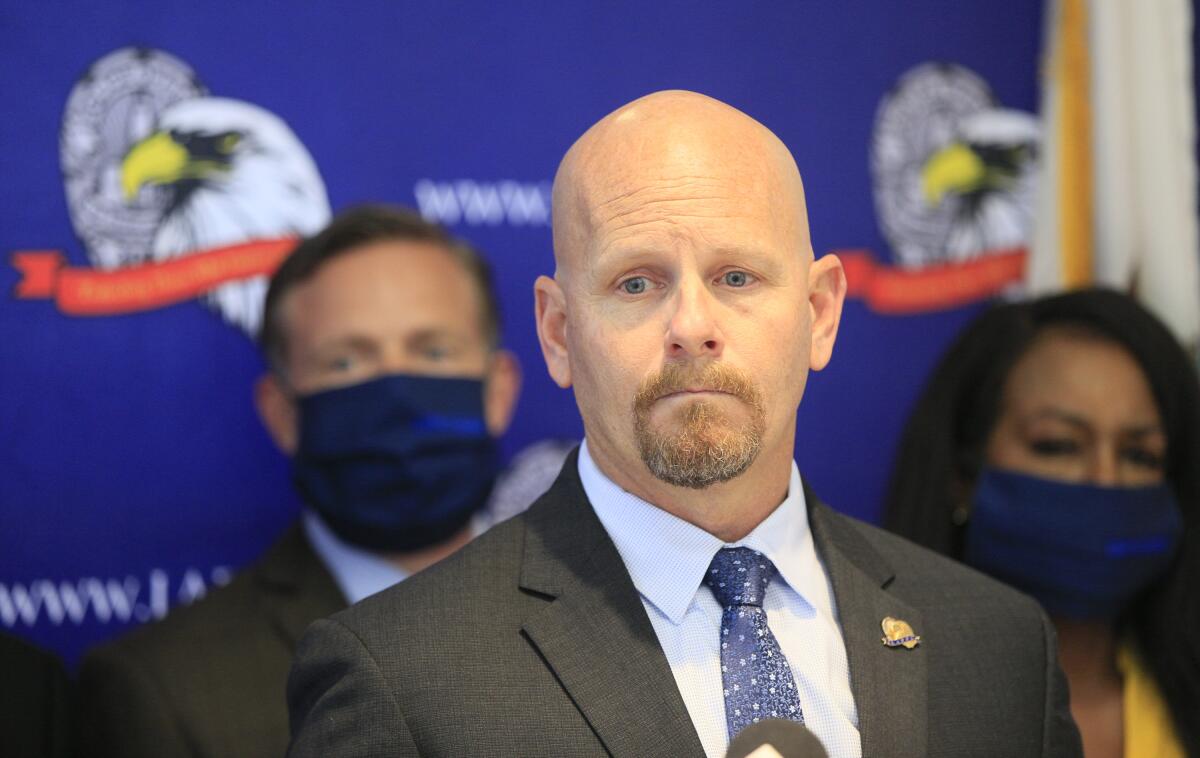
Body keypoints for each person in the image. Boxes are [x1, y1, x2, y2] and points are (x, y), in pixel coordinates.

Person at [286, 91, 1082, 758]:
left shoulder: (998, 643)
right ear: (559, 333)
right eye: (637, 283)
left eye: (737, 276)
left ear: (819, 314)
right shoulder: (399, 675)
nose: (692, 325)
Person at [78, 205, 571, 758]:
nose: (395, 394)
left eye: (433, 351)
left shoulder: (611, 615)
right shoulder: (164, 690)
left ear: (497, 392)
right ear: (283, 413)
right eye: (345, 363)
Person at [884, 288, 1199, 758]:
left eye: (1139, 454)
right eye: (1058, 445)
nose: (1104, 482)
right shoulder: (869, 704)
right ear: (963, 476)